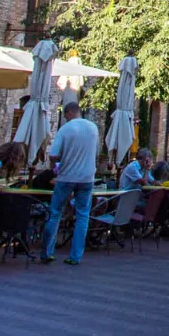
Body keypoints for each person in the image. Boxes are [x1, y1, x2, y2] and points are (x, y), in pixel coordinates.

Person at [40, 102, 99, 265]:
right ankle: (75, 256)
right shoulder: (93, 128)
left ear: (69, 113)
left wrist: (54, 168)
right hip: (87, 178)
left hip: (67, 177)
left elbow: (53, 155)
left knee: (55, 213)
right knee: (82, 216)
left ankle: (47, 252)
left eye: (65, 115)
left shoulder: (65, 129)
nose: (65, 118)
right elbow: (96, 151)